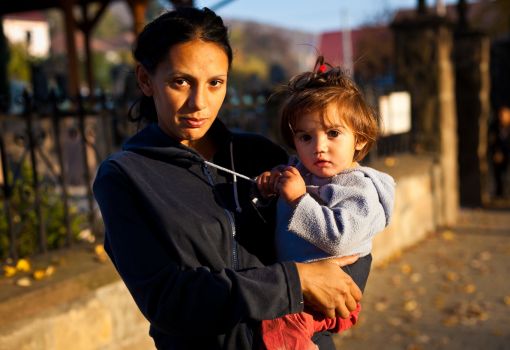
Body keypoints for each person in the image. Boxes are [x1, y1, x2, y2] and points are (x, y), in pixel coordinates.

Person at [93, 8, 362, 350]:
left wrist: (336, 294)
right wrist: (295, 282)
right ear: (146, 79)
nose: (199, 103)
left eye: (215, 83)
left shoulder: (263, 156)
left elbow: (345, 241)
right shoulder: (125, 177)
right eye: (180, 81)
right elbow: (168, 301)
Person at [254, 59, 395, 350]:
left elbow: (340, 240)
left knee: (278, 326)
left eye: (333, 133)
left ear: (360, 138)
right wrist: (271, 187)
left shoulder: (358, 187)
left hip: (338, 288)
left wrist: (298, 199)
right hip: (304, 284)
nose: (319, 146)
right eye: (306, 136)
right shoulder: (301, 171)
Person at [488, 105, 510, 198]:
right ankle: (500, 194)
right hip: (499, 154)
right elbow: (492, 140)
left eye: (504, 114)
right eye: (500, 114)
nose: (502, 116)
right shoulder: (494, 126)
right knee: (499, 174)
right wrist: (497, 151)